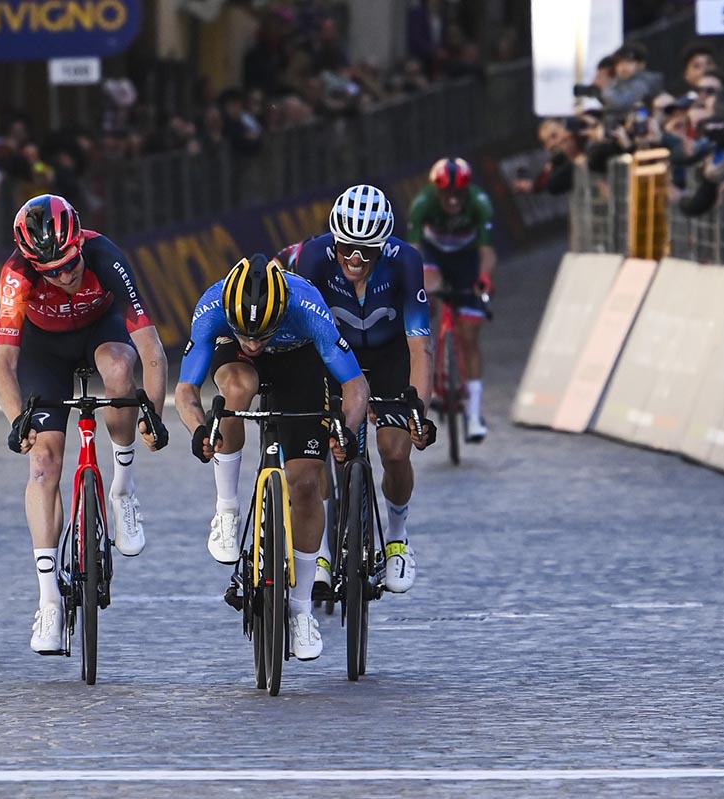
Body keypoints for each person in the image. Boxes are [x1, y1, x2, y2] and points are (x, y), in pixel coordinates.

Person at [0, 194, 169, 654]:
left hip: (100, 330)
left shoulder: (107, 256)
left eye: (71, 263)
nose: (66, 275)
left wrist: (153, 410)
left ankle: (123, 487)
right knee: (44, 463)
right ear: (34, 264)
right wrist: (17, 422)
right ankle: (49, 599)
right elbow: (3, 363)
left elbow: (151, 349)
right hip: (43, 348)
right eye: (53, 271)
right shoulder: (17, 276)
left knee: (118, 371)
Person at [175, 253, 368, 662]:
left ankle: (300, 610)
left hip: (299, 362)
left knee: (305, 484)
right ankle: (226, 509)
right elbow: (186, 391)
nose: (255, 344)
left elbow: (354, 385)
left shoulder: (307, 305)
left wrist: (347, 433)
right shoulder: (213, 306)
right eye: (246, 333)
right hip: (240, 371)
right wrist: (198, 430)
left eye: (262, 335)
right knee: (236, 391)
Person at [293, 184, 437, 598]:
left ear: (383, 245)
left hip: (391, 355)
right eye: (346, 250)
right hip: (335, 354)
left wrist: (419, 412)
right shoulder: (315, 257)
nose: (355, 260)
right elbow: (303, 337)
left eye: (367, 251)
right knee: (315, 446)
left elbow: (420, 345)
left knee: (394, 450)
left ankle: (397, 537)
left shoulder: (406, 262)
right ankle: (318, 551)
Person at [408, 156, 495, 441]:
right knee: (427, 294)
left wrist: (484, 279)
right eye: (448, 194)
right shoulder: (422, 205)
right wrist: (417, 287)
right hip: (433, 254)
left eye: (459, 194)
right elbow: (415, 249)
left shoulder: (480, 203)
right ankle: (428, 361)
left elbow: (486, 251)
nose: (454, 201)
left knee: (470, 334)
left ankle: (474, 415)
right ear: (437, 191)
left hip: (466, 258)